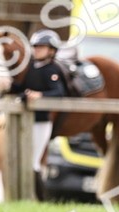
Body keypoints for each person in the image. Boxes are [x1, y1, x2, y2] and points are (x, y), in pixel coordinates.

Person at [11, 29, 70, 199]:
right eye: (35, 47)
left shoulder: (52, 70)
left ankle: (38, 197)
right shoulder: (31, 67)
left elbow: (58, 93)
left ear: (51, 50)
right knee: (24, 159)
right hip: (26, 122)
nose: (36, 50)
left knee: (33, 161)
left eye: (41, 47)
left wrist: (40, 95)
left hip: (41, 121)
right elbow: (22, 88)